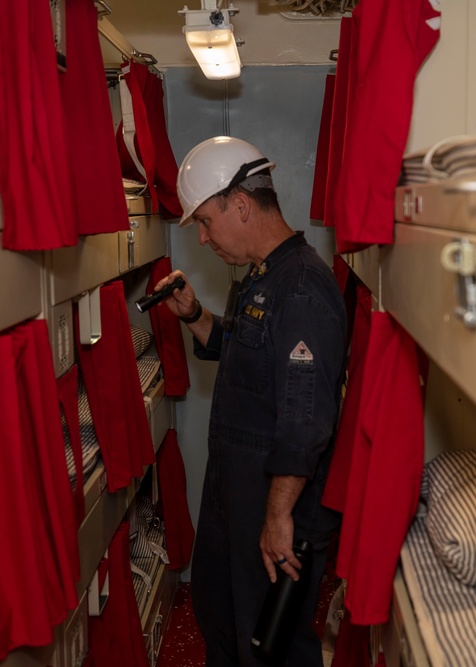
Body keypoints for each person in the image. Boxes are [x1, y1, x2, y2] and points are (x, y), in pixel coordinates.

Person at [152, 136, 347, 666]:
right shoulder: (263, 278)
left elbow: (305, 421)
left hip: (274, 502)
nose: (203, 236)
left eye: (205, 221)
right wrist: (194, 315)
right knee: (223, 618)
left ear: (240, 205)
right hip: (236, 493)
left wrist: (279, 515)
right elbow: (243, 352)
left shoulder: (303, 286)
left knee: (271, 644)